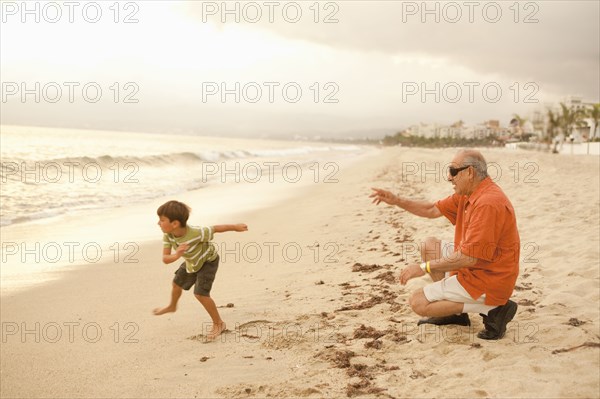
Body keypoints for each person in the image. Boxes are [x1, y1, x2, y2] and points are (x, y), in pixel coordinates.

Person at [370, 149, 520, 340]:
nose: (449, 177)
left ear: (470, 172)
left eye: (453, 171)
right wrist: (397, 201)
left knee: (418, 302)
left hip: (489, 278)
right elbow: (432, 209)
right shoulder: (469, 193)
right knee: (429, 245)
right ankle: (455, 314)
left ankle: (494, 307)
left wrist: (423, 268)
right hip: (476, 267)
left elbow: (468, 257)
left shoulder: (488, 203)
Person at [153, 200, 248, 341]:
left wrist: (235, 227)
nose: (158, 223)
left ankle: (219, 323)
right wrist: (177, 254)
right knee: (176, 283)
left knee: (200, 294)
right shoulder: (168, 236)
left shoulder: (196, 233)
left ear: (175, 224)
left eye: (161, 220)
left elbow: (215, 228)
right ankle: (172, 306)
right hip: (192, 261)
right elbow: (166, 259)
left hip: (208, 261)